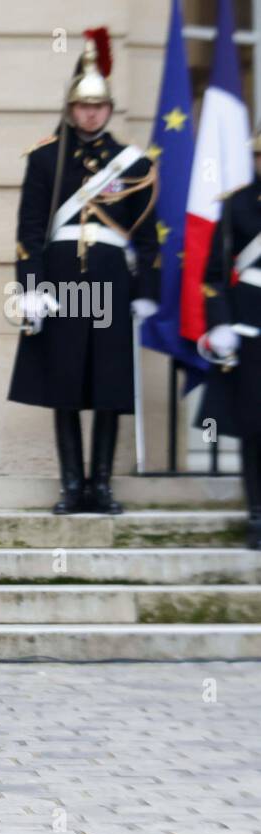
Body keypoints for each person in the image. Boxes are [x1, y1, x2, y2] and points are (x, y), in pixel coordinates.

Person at [7, 29, 159, 515]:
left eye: (98, 106)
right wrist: (31, 288)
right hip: (61, 280)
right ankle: (72, 486)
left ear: (109, 109)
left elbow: (150, 235)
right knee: (64, 382)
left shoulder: (132, 164)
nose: (90, 113)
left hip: (113, 280)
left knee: (109, 386)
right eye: (82, 105)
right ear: (72, 108)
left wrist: (146, 291)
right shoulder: (45, 157)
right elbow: (29, 229)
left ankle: (103, 487)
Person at [199, 126, 261, 551]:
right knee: (255, 425)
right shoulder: (239, 203)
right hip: (251, 322)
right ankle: (257, 514)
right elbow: (214, 276)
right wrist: (221, 322)